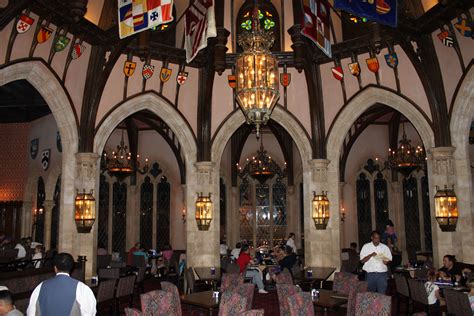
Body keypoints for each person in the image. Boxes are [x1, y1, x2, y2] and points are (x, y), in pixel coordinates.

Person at [27, 252, 96, 315]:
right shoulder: (82, 288)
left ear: (55, 268)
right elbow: (90, 313)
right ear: (71, 268)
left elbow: (31, 312)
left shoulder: (40, 286)